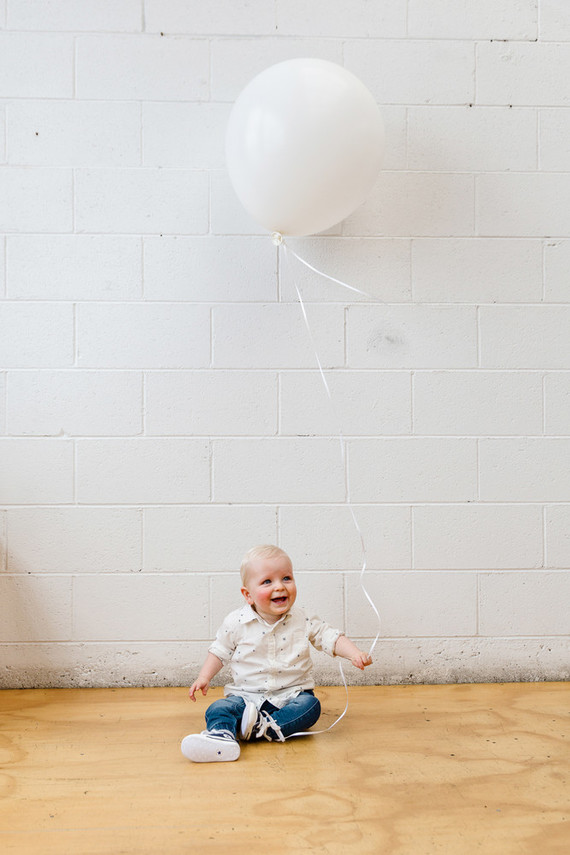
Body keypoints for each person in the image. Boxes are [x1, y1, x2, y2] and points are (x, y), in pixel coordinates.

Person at [181, 544, 372, 763]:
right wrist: (204, 677)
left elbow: (329, 636)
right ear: (248, 595)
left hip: (291, 695)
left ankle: (263, 727)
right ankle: (221, 736)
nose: (280, 587)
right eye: (267, 582)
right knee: (219, 707)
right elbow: (219, 651)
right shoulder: (236, 622)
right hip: (246, 696)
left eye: (287, 578)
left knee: (310, 708)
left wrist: (354, 653)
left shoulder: (303, 618)